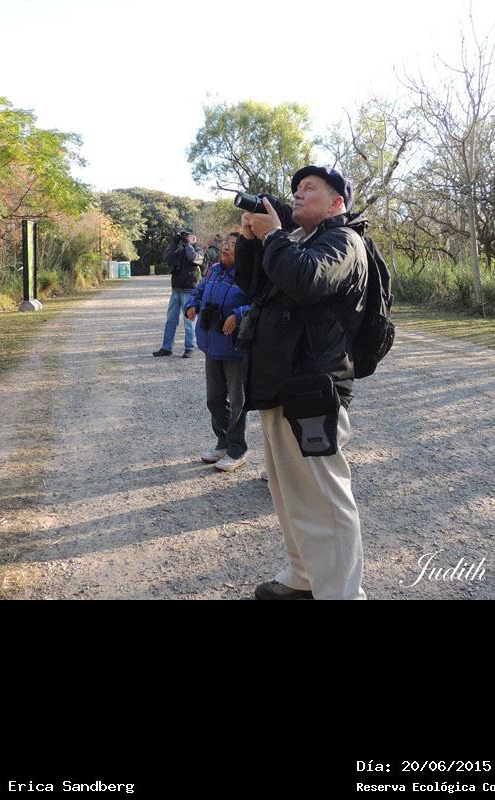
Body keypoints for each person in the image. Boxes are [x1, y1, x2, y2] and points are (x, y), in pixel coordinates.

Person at [238, 166, 369, 600]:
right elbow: (253, 286)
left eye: (309, 189)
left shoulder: (344, 240)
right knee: (290, 494)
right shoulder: (299, 241)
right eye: (296, 188)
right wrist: (252, 242)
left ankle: (341, 593)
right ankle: (305, 576)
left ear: (337, 203)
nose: (297, 194)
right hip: (282, 386)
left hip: (314, 391)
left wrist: (274, 236)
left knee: (325, 500)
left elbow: (307, 280)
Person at [184, 232, 251, 472]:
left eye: (233, 245)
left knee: (237, 402)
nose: (226, 248)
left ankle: (237, 450)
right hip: (211, 345)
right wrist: (192, 304)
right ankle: (222, 444)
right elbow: (198, 292)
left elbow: (259, 305)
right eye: (225, 243)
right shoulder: (213, 270)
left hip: (234, 348)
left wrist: (238, 314)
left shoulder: (248, 274)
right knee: (214, 399)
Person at [153, 231, 203, 358]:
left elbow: (193, 258)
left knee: (189, 321)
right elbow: (167, 257)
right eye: (185, 237)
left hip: (190, 291)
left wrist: (188, 244)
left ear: (194, 238)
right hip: (176, 290)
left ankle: (189, 348)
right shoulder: (180, 250)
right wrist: (174, 243)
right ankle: (166, 348)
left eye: (189, 236)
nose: (186, 238)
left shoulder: (199, 250)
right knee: (171, 320)